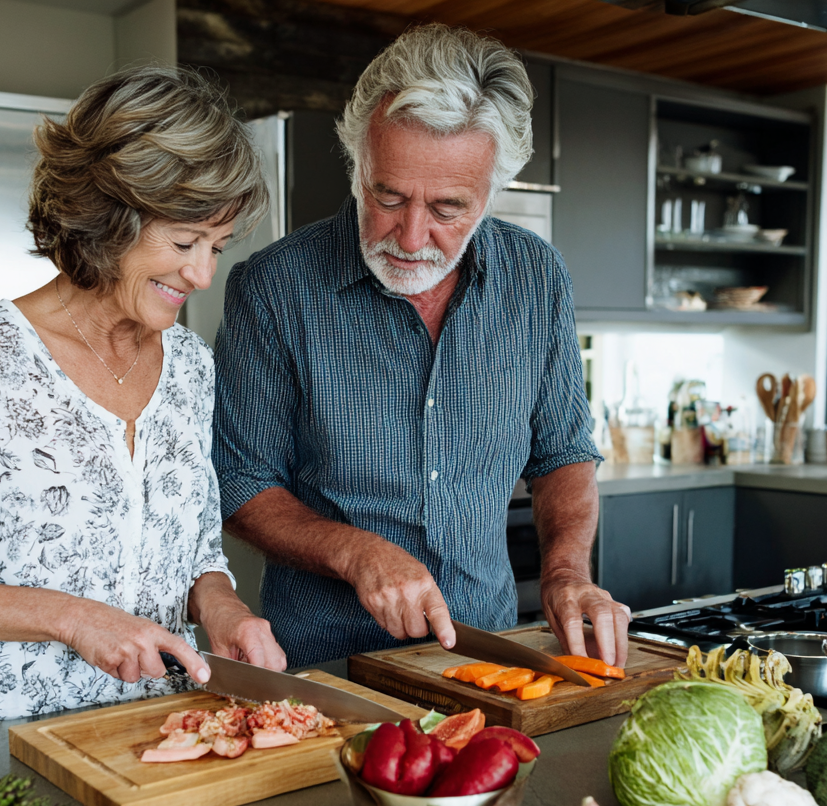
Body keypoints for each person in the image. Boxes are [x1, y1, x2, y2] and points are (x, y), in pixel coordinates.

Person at [0, 66, 286, 728]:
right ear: (108, 221)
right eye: (184, 242)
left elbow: (194, 553)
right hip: (16, 757)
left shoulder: (189, 369)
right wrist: (71, 620)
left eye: (217, 245)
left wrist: (221, 606)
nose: (204, 273)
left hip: (164, 739)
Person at [212, 24, 631, 670]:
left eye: (447, 208)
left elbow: (562, 455)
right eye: (389, 196)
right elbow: (241, 484)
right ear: (358, 164)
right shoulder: (273, 289)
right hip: (327, 666)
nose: (411, 236)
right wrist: (355, 553)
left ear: (493, 194)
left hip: (485, 659)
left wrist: (566, 572)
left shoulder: (538, 280)